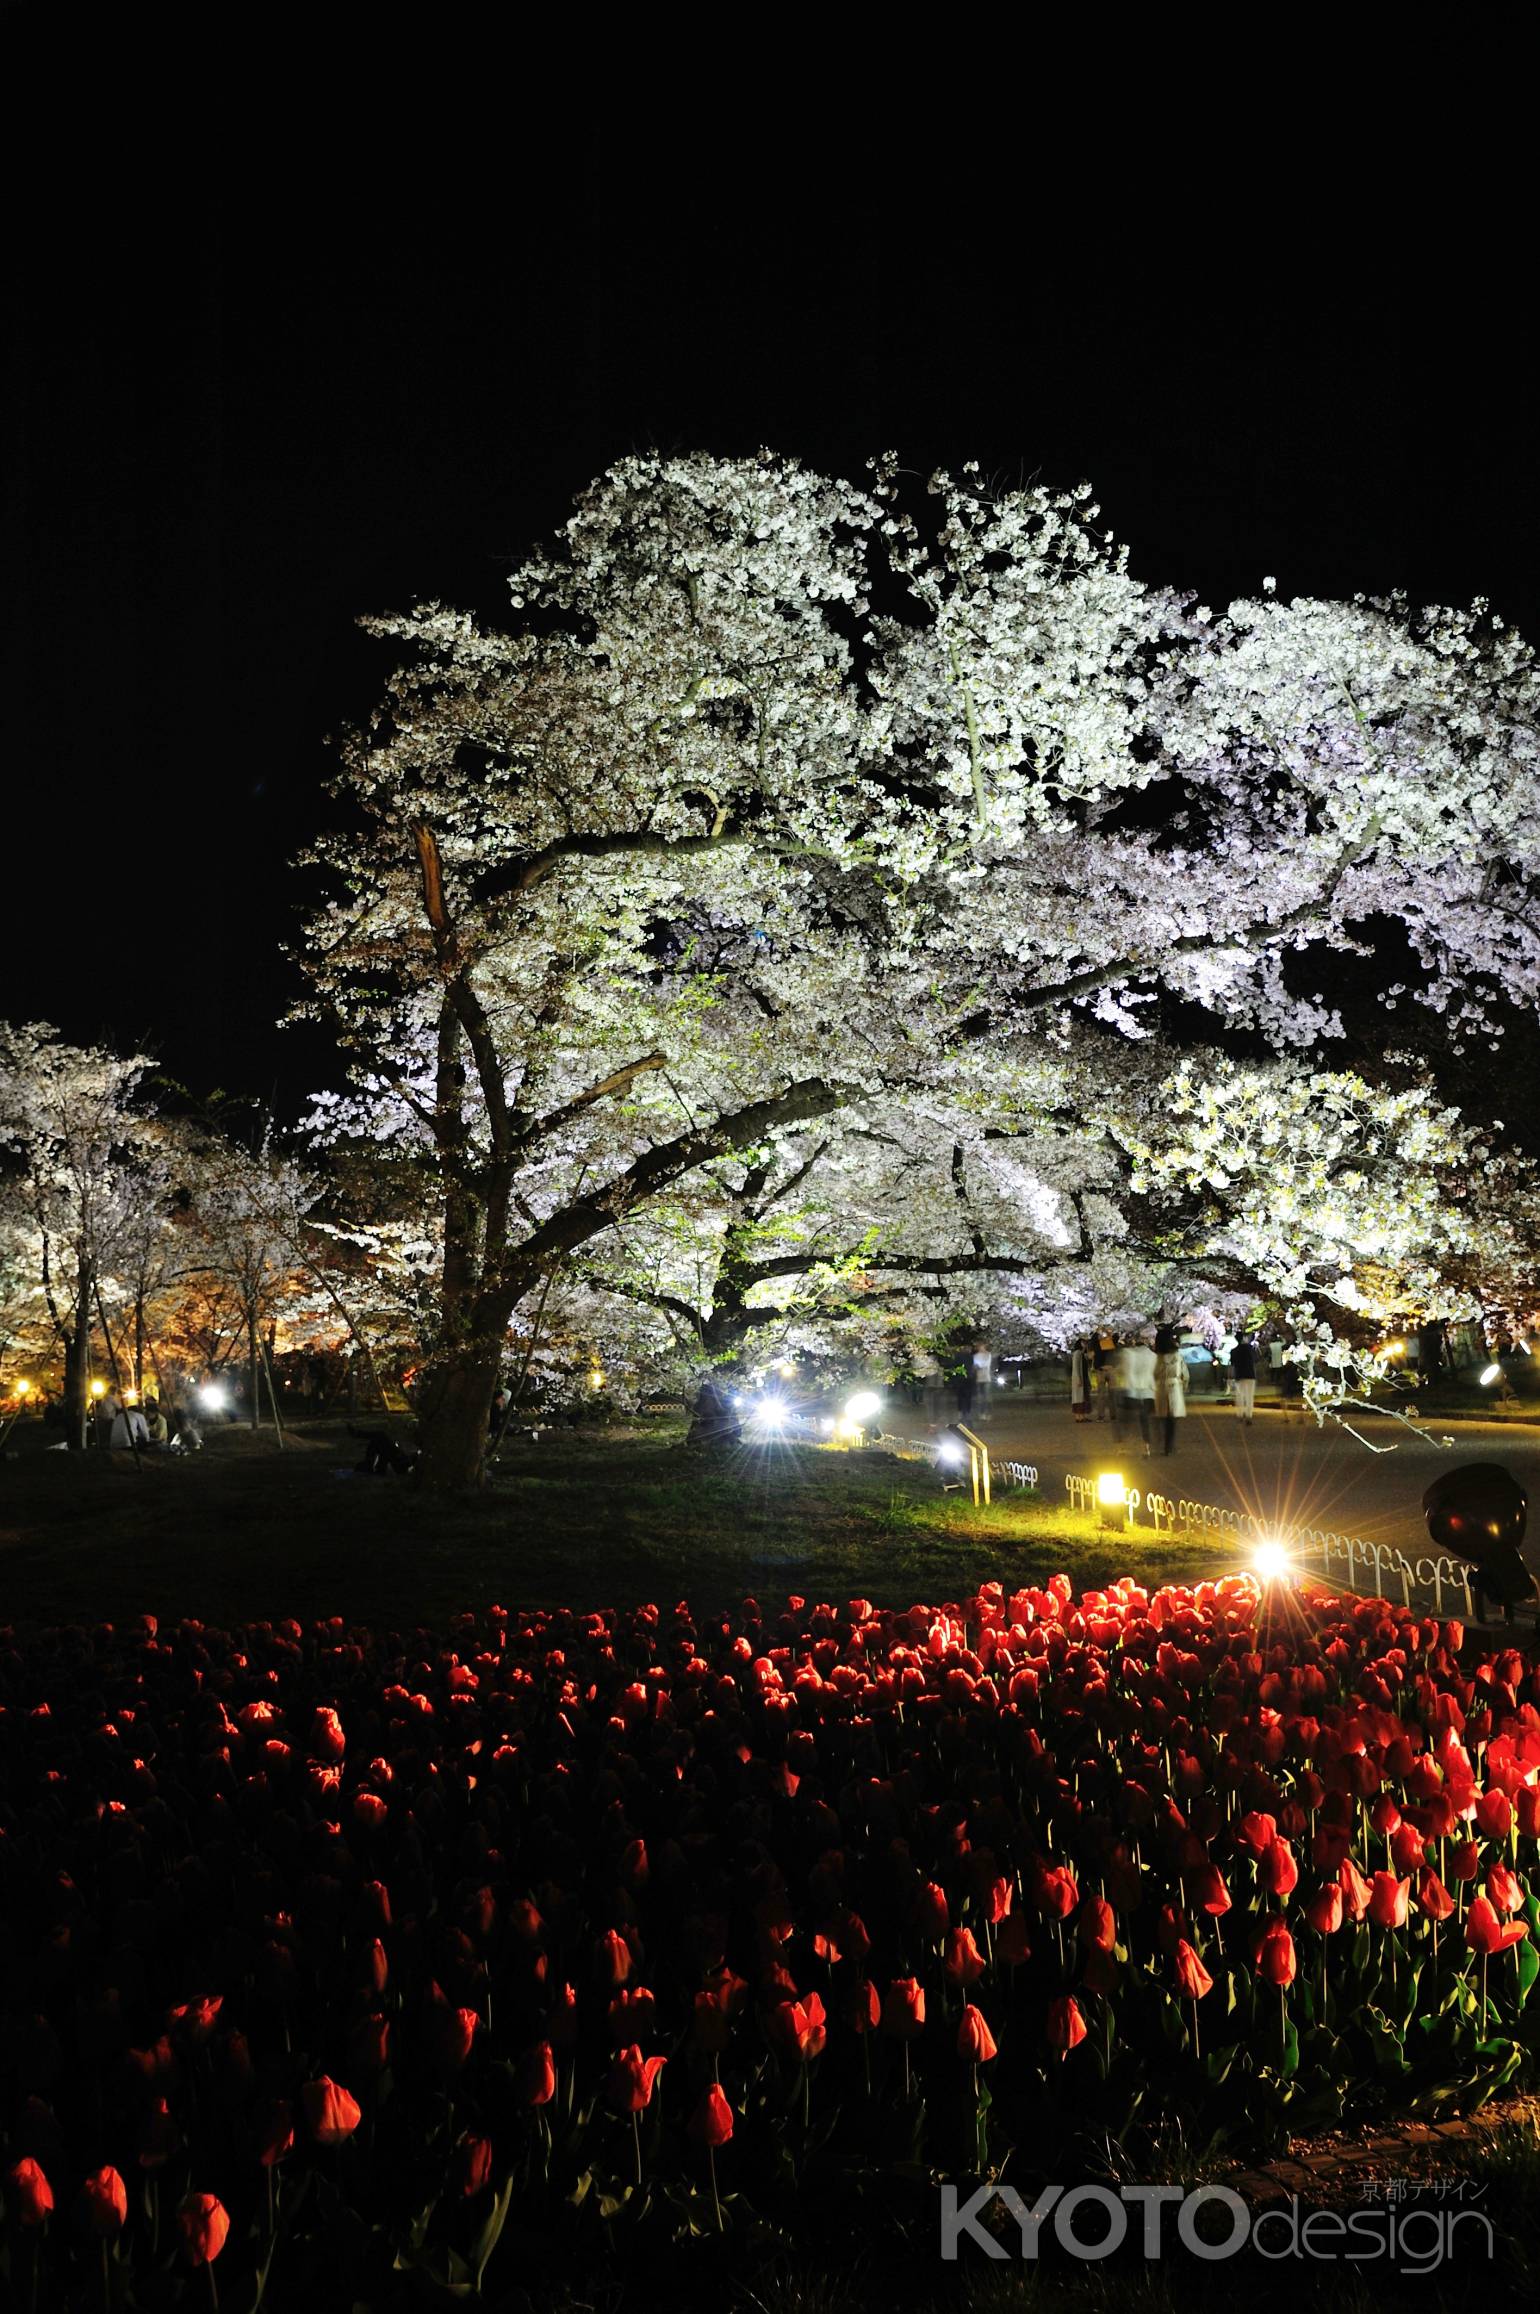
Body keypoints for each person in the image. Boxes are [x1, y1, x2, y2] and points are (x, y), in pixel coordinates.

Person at [1153, 1325, 1187, 1455]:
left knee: (1161, 1417)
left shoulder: (1156, 1357)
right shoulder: (1177, 1356)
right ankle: (1169, 1446)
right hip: (1174, 1386)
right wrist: (1183, 1385)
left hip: (1161, 1387)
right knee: (1172, 1420)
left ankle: (1162, 1445)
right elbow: (1185, 1374)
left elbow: (1153, 1373)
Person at [1121, 1333, 1157, 1453]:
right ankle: (1146, 1446)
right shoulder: (1153, 1356)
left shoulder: (1129, 1354)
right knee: (1145, 1419)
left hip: (1133, 1390)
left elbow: (1127, 1371)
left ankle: (1124, 1447)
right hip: (1148, 1390)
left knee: (1127, 1419)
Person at [1230, 1333, 1258, 1424]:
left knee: (1240, 1396)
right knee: (1249, 1396)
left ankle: (1240, 1415)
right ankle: (1249, 1416)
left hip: (1239, 1375)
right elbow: (1256, 1359)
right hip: (1250, 1374)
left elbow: (1232, 1364)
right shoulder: (1250, 1349)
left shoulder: (1234, 1351)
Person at [1092, 1328, 1116, 1422]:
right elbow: (1094, 1339)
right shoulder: (1106, 1343)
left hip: (1104, 1370)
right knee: (1108, 1394)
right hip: (1107, 1370)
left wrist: (1101, 1331)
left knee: (1104, 1395)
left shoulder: (1103, 1343)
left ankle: (1103, 1416)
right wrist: (1105, 1332)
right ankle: (1110, 1416)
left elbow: (1094, 1339)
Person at [1070, 1338, 1090, 1424]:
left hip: (1083, 1377)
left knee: (1083, 1398)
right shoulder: (1077, 1353)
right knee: (1078, 1398)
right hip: (1079, 1378)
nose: (1085, 1344)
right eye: (1083, 1343)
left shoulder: (1082, 1354)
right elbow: (1076, 1367)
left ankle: (1082, 1416)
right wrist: (1078, 1378)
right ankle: (1078, 1416)